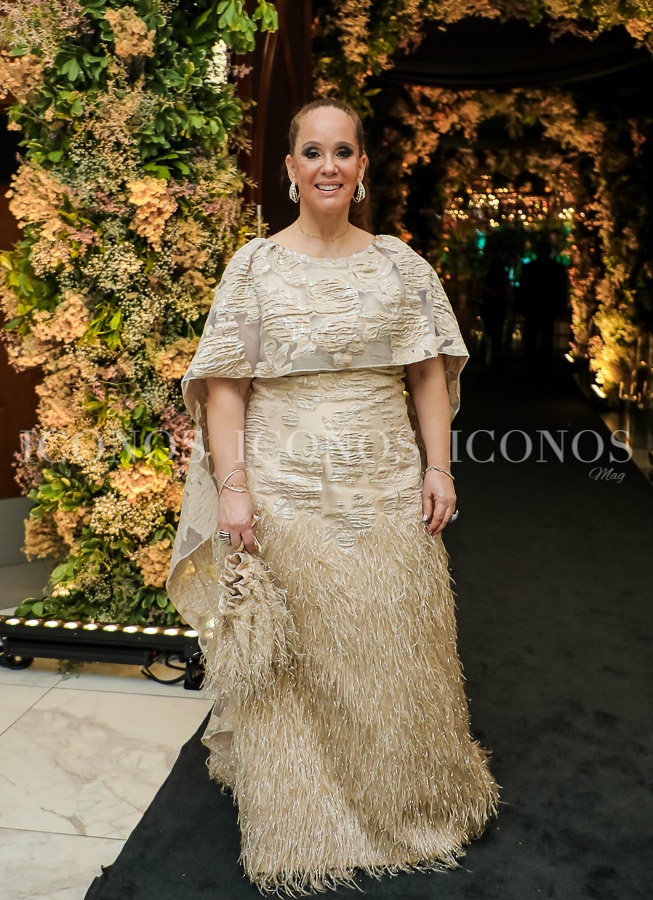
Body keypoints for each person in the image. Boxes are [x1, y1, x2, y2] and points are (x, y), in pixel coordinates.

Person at [167, 98, 499, 896]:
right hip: (282, 487)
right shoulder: (255, 267)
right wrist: (234, 489)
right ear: (289, 168)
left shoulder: (400, 266)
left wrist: (439, 468)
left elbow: (427, 374)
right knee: (297, 661)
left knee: (394, 642)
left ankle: (410, 801)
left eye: (341, 151)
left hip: (383, 485)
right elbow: (225, 388)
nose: (327, 166)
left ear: (361, 167)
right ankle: (304, 821)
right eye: (311, 152)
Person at [518, 237, 570, 378]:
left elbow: (523, 289)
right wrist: (562, 307)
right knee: (547, 337)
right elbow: (562, 290)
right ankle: (544, 367)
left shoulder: (529, 267)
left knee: (530, 337)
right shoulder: (557, 268)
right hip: (549, 308)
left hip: (532, 307)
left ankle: (531, 366)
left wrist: (520, 306)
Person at [479, 254, 511, 373]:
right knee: (498, 334)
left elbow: (479, 291)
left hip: (488, 308)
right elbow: (509, 293)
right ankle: (497, 359)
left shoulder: (486, 278)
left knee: (489, 332)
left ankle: (487, 357)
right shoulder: (504, 279)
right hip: (499, 309)